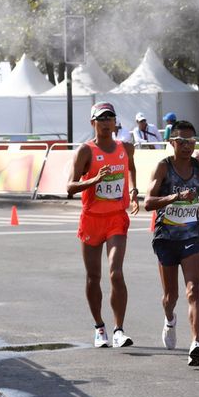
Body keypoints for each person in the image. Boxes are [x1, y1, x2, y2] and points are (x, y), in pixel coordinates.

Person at [67, 102, 140, 349]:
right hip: (91, 220)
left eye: (110, 118)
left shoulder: (125, 147)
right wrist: (95, 180)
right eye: (101, 119)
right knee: (93, 276)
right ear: (93, 123)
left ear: (115, 122)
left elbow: (130, 166)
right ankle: (99, 326)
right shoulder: (85, 151)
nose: (106, 122)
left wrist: (133, 188)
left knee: (115, 272)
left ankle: (119, 329)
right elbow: (69, 187)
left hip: (116, 218)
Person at [145, 120, 199, 366]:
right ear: (171, 143)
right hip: (166, 237)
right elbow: (148, 202)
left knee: (194, 290)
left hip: (191, 236)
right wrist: (176, 196)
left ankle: (195, 343)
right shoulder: (163, 168)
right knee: (170, 296)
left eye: (191, 141)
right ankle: (169, 319)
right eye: (182, 142)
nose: (187, 146)